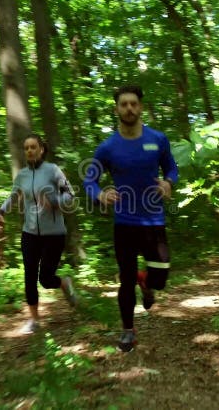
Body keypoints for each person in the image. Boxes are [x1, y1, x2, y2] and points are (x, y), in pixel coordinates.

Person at [83, 84, 179, 352]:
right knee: (125, 280)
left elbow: (172, 168)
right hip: (124, 223)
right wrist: (100, 195)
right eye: (124, 104)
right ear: (116, 109)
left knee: (161, 278)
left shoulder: (157, 139)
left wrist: (169, 182)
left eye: (133, 104)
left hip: (154, 221)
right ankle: (127, 330)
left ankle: (146, 282)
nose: (129, 108)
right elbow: (89, 180)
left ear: (141, 107)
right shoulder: (108, 148)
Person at [0, 134, 78, 334]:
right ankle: (34, 320)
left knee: (46, 279)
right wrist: (1, 211)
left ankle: (64, 283)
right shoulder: (22, 175)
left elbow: (70, 195)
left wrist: (55, 202)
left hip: (54, 234)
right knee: (29, 276)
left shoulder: (53, 170)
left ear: (41, 149)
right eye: (26, 148)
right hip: (30, 233)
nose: (30, 150)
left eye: (33, 147)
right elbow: (14, 195)